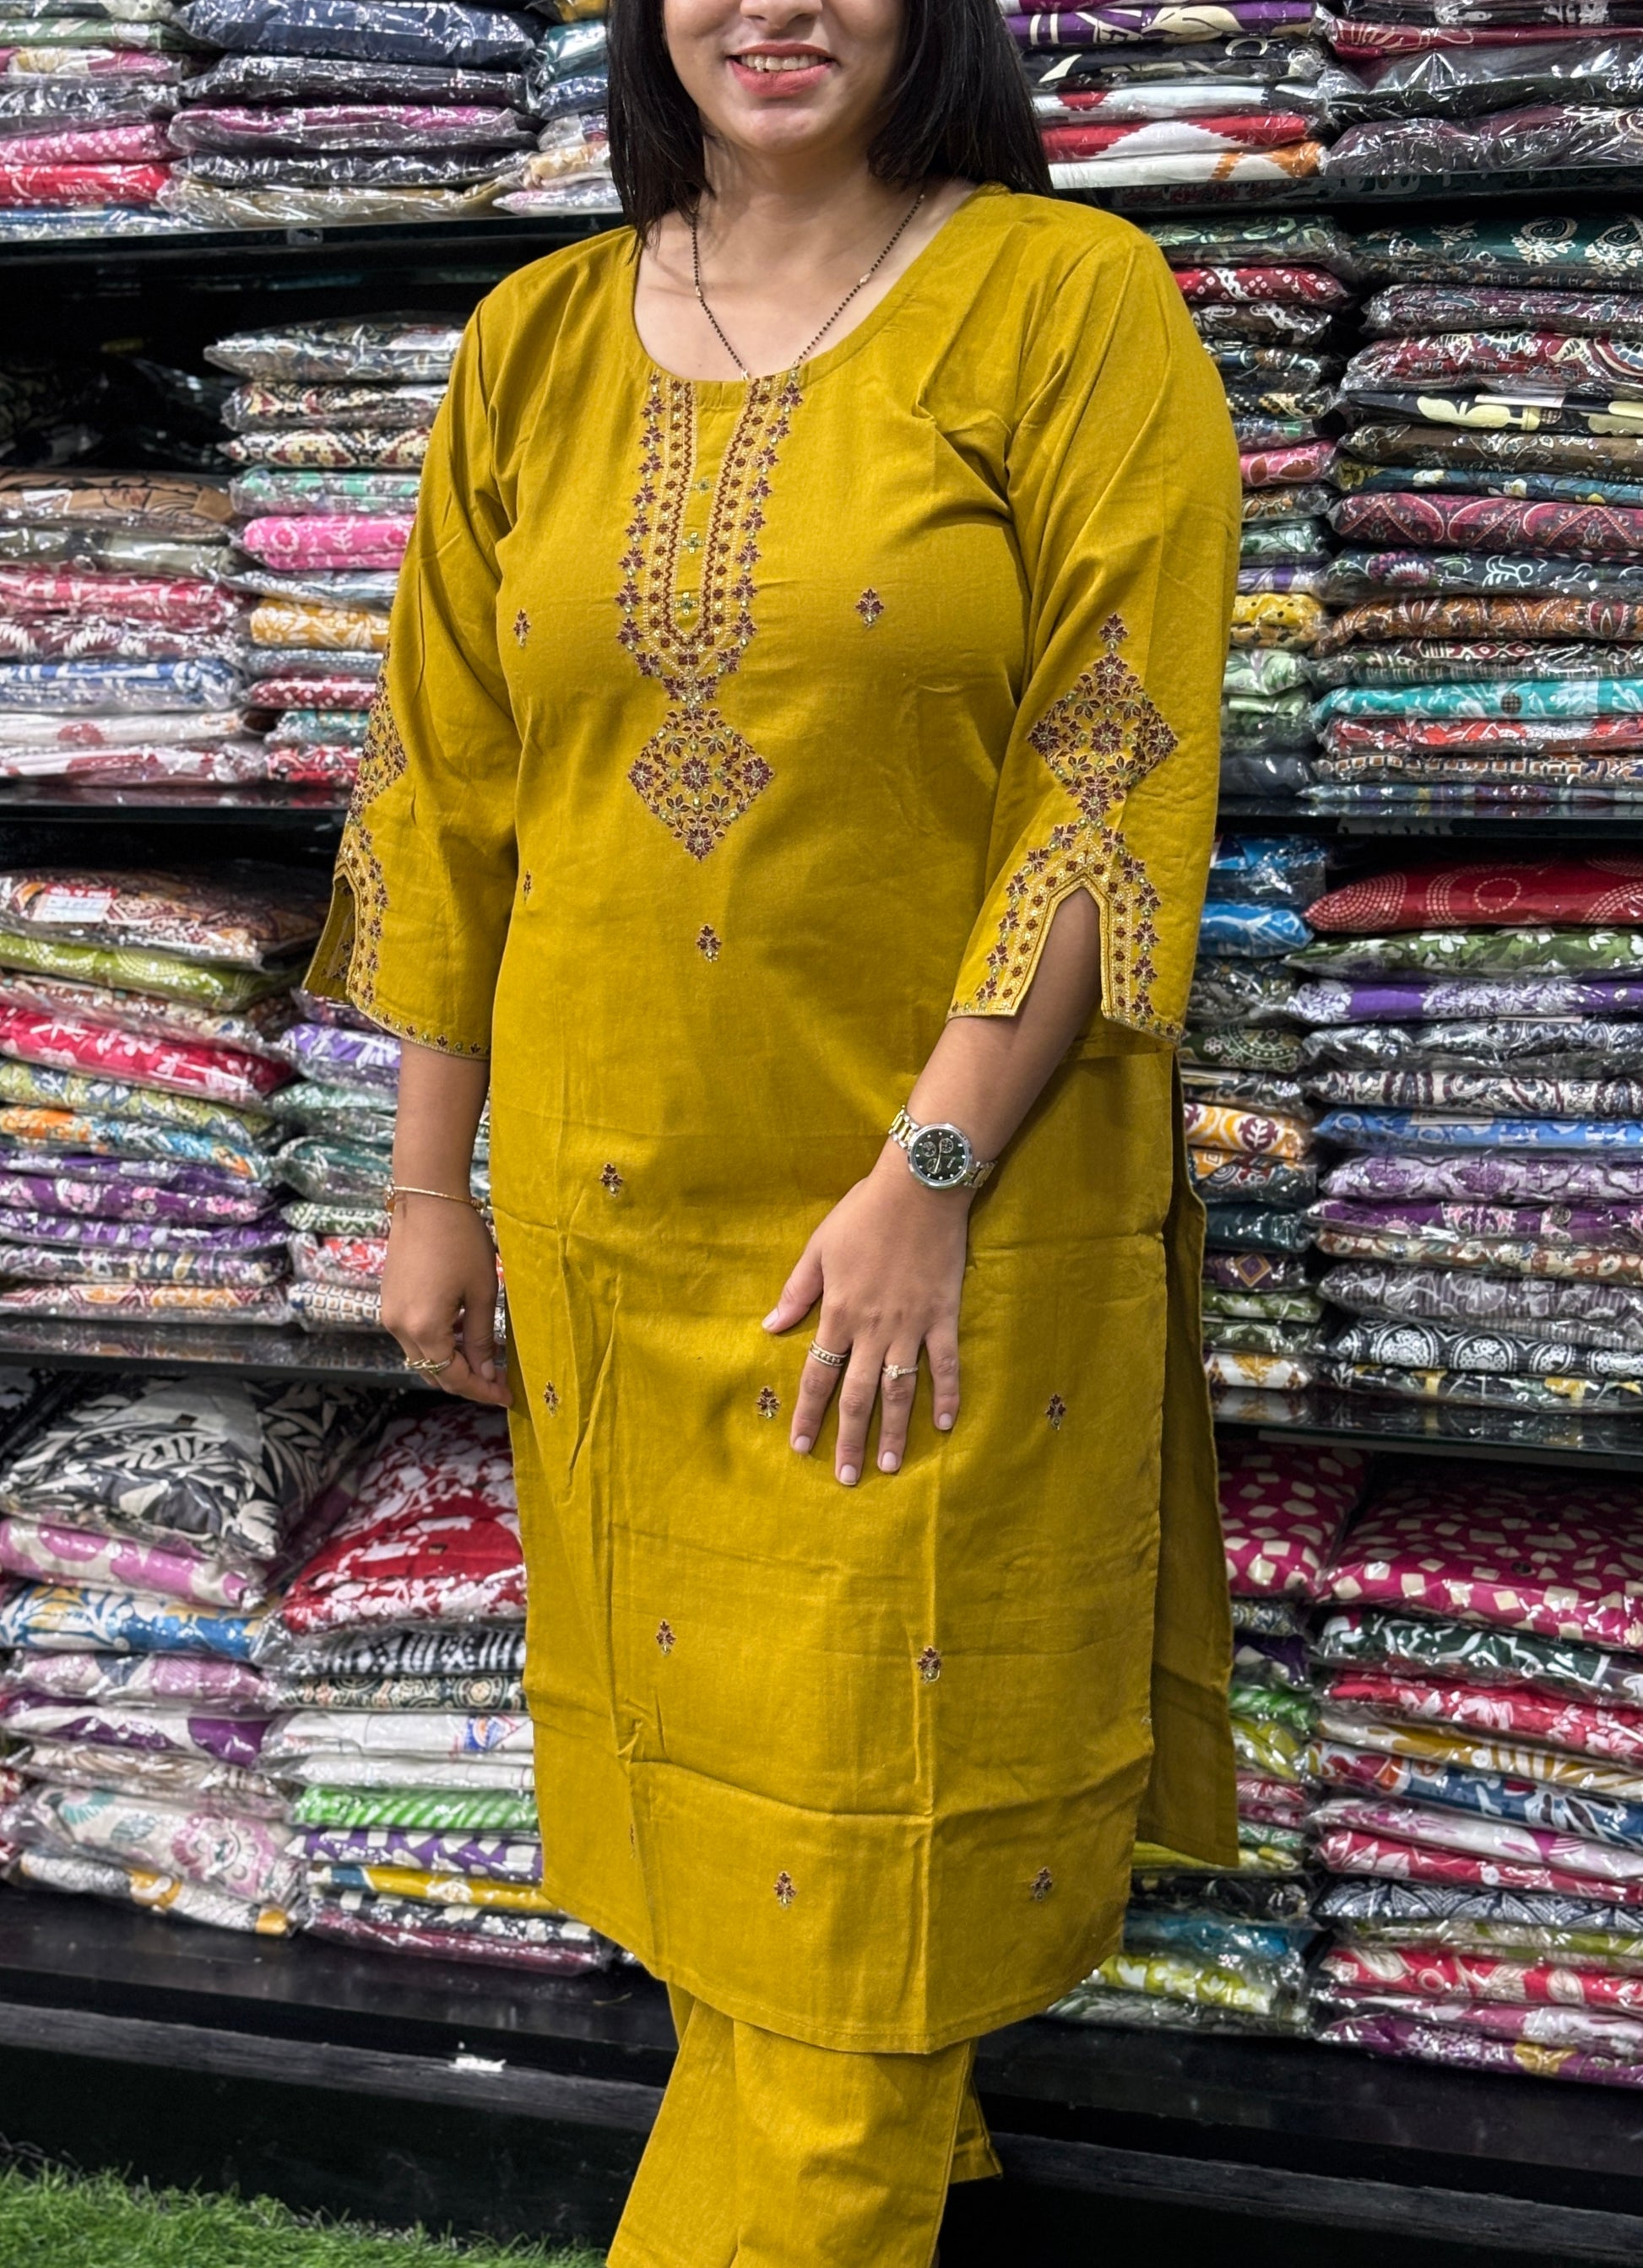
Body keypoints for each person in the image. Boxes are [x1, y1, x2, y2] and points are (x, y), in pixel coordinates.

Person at [306, 0, 1242, 2258]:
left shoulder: (1064, 302)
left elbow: (1110, 767)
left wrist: (930, 1175)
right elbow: (444, 788)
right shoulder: (535, 340)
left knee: (876, 1824)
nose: (778, 8)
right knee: (746, 1844)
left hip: (940, 1219)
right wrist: (426, 1187)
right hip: (615, 1217)